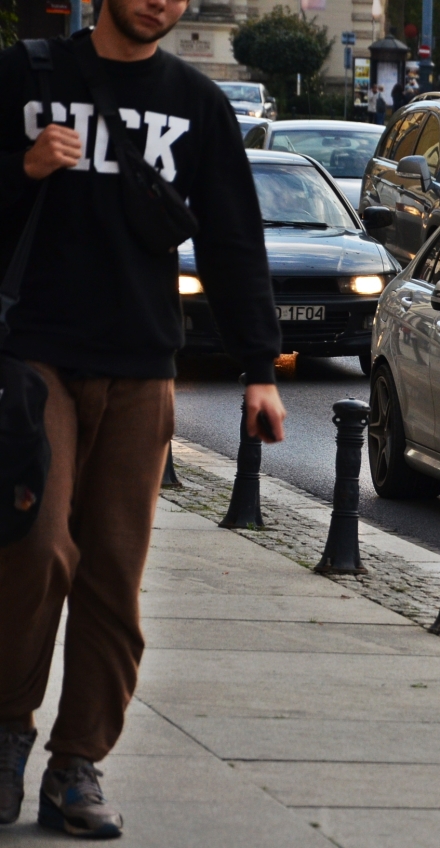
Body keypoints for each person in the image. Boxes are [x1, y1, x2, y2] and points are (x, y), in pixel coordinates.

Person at [0, 0, 286, 837]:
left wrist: (260, 368)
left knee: (114, 574)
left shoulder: (196, 102)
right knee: (35, 543)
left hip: (140, 363)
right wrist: (22, 168)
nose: (159, 1)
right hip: (31, 356)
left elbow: (235, 235)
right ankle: (8, 732)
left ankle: (76, 765)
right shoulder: (27, 74)